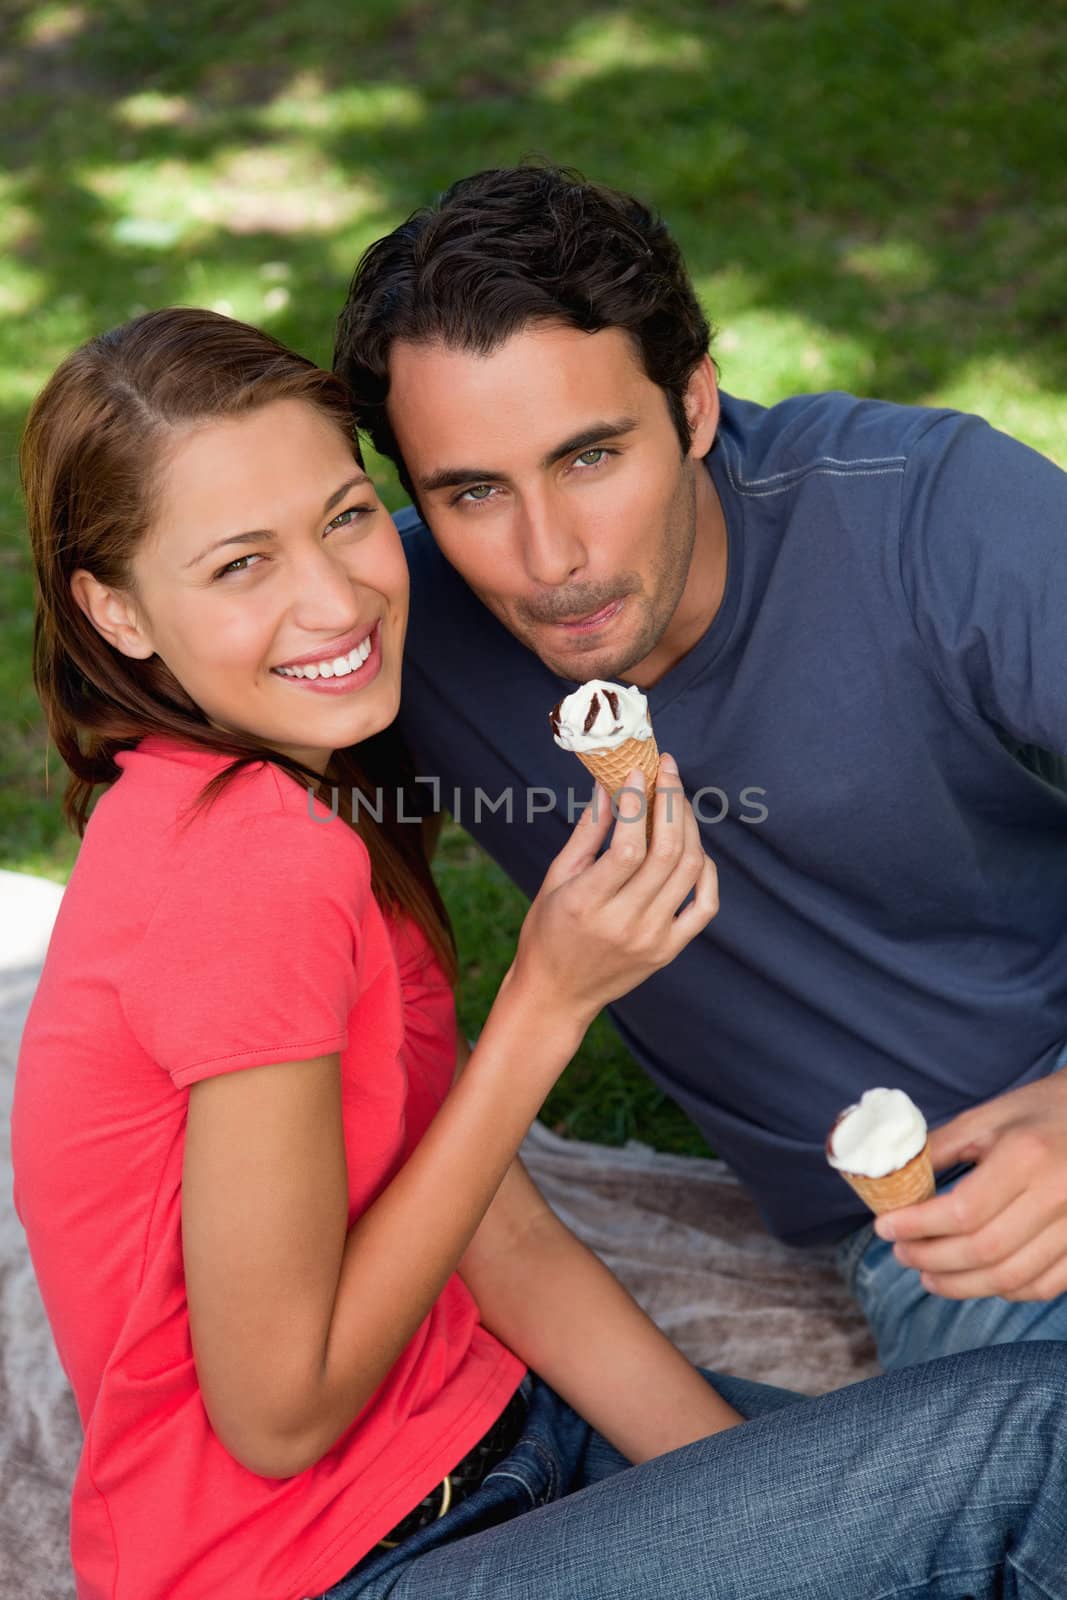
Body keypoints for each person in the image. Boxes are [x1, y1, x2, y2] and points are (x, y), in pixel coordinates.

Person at [12, 307, 1067, 1600]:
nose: (333, 598)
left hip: (508, 1451)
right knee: (1034, 1441)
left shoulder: (284, 809)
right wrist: (544, 1005)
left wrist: (789, 1519)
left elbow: (485, 1228)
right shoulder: (249, 864)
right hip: (336, 1566)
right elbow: (272, 1415)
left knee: (950, 1499)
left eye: (345, 518)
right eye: (239, 565)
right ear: (115, 611)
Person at [334, 161, 1067, 1372]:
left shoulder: (932, 517)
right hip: (934, 1228)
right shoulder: (393, 634)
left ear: (692, 406)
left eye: (588, 457)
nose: (547, 557)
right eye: (470, 491)